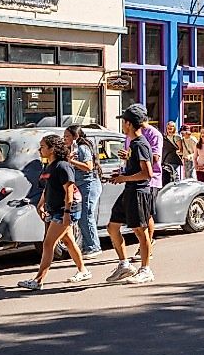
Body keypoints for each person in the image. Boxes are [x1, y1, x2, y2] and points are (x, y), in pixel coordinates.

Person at [18, 135, 89, 290]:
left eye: (43, 146)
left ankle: (38, 281)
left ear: (52, 149)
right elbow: (47, 187)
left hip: (65, 210)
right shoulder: (49, 166)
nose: (39, 149)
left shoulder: (63, 166)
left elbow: (69, 191)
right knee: (68, 241)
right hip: (56, 208)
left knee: (48, 243)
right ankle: (83, 270)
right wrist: (40, 205)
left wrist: (67, 212)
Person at [107, 107, 156, 284]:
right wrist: (122, 173)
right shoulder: (133, 145)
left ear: (128, 123)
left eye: (123, 121)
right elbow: (136, 168)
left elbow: (147, 173)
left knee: (140, 232)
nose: (122, 124)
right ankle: (124, 265)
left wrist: (123, 178)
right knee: (112, 227)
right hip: (129, 190)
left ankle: (146, 269)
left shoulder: (140, 144)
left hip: (139, 192)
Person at [64, 125, 102, 258]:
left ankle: (93, 246)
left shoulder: (83, 148)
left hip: (89, 185)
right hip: (80, 185)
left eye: (67, 136)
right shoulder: (72, 149)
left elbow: (88, 167)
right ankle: (88, 245)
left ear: (76, 136)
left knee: (86, 215)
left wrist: (72, 161)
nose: (65, 139)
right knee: (82, 216)